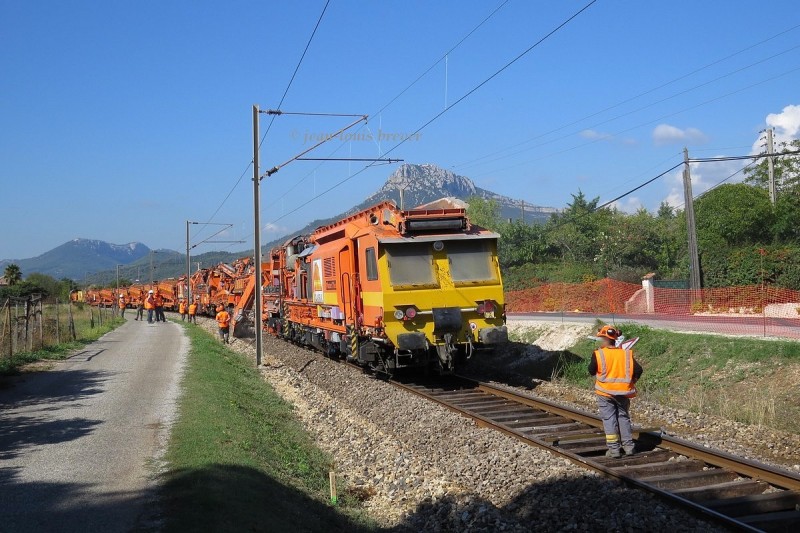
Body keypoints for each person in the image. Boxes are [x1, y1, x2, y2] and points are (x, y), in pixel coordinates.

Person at [588, 325, 643, 459]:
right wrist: (632, 382)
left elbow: (591, 370)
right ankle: (629, 447)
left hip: (605, 393)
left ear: (604, 339)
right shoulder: (626, 353)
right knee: (623, 418)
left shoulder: (599, 353)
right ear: (615, 338)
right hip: (623, 393)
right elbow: (638, 370)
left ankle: (614, 450)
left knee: (609, 419)